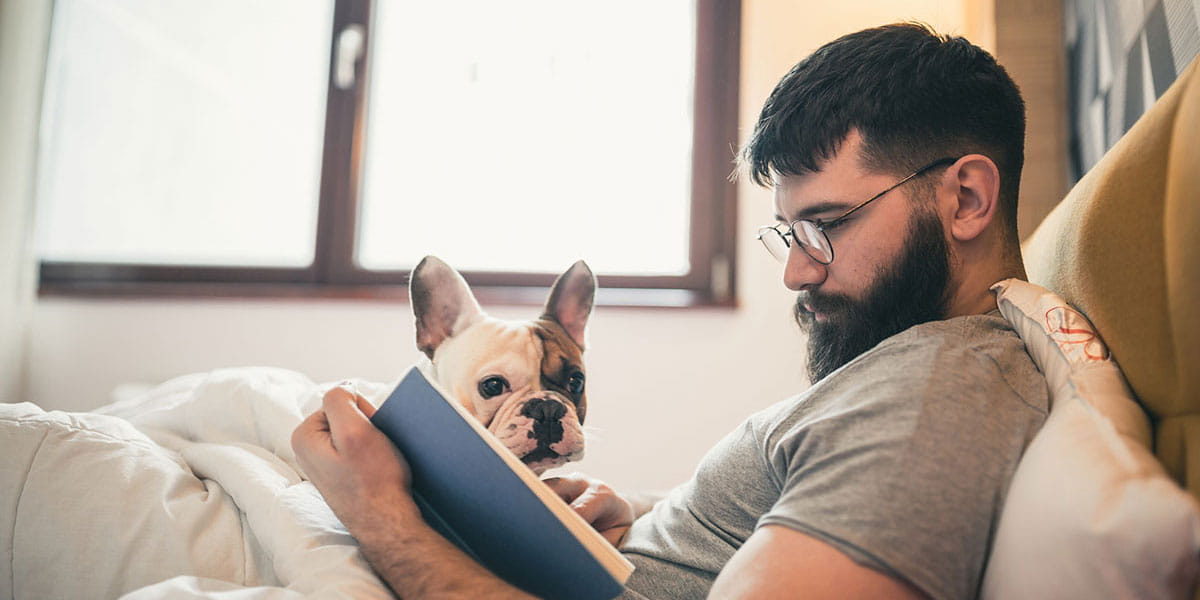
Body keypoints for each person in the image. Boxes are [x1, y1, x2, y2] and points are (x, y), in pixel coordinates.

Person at [292, 22, 1048, 600]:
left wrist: (379, 514)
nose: (795, 271)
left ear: (966, 198)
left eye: (825, 225)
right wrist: (636, 513)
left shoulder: (934, 398)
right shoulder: (903, 368)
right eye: (788, 234)